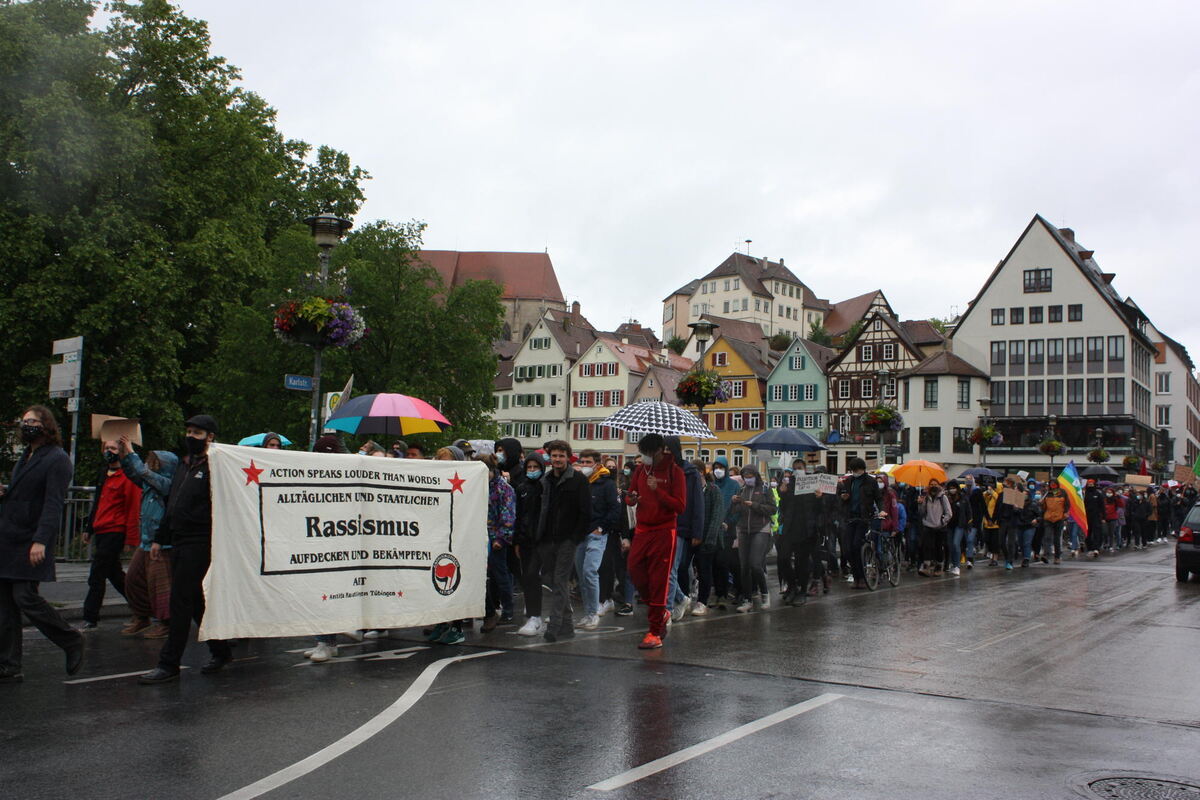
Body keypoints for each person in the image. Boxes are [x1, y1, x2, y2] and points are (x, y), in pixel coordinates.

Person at [138, 415, 233, 684]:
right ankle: (221, 649)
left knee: (180, 600)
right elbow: (173, 502)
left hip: (200, 540)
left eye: (198, 433)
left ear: (211, 437)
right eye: (189, 431)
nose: (191, 436)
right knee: (195, 602)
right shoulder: (184, 464)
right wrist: (160, 537)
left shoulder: (216, 465)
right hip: (178, 539)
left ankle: (169, 664)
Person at [0, 406, 85, 683]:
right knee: (5, 604)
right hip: (9, 539)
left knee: (25, 597)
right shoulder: (26, 456)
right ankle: (9, 664)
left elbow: (52, 504)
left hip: (30, 539)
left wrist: (40, 540)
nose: (27, 425)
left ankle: (70, 639)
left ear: (46, 425)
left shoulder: (57, 459)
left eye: (33, 421)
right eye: (24, 421)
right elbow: (26, 494)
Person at [625, 434, 686, 649]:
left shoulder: (675, 472)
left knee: (659, 579)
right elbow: (630, 494)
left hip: (664, 531)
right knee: (634, 570)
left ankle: (655, 631)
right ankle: (661, 612)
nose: (647, 457)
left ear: (662, 450)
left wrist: (657, 490)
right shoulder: (641, 470)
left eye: (651, 453)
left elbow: (679, 506)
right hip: (642, 530)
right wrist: (631, 498)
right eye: (644, 453)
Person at [118, 439, 178, 639]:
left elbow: (142, 472)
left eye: (155, 462)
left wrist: (131, 453)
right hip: (146, 542)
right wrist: (124, 456)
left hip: (162, 543)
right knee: (133, 580)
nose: (150, 465)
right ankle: (142, 616)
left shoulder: (168, 484)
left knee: (160, 586)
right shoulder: (151, 483)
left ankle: (166, 623)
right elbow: (134, 472)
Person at [80, 439, 142, 630]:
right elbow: (98, 502)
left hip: (115, 530)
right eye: (106, 448)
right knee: (114, 574)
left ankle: (91, 616)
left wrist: (131, 538)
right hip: (102, 529)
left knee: (97, 574)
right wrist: (89, 528)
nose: (109, 451)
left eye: (113, 448)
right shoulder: (104, 474)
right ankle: (141, 607)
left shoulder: (127, 477)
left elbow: (132, 508)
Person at [536, 440, 590, 642]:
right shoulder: (546, 479)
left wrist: (576, 537)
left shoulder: (578, 480)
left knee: (560, 580)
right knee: (550, 579)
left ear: (568, 457)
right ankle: (567, 625)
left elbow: (585, 512)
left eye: (561, 456)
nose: (557, 459)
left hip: (568, 538)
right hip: (548, 538)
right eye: (554, 456)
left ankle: (555, 625)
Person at [574, 450, 620, 630]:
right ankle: (588, 613)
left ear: (596, 464)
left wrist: (602, 528)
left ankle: (593, 613)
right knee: (581, 575)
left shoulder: (606, 484)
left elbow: (614, 509)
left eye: (588, 462)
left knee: (589, 572)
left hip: (597, 534)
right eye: (582, 462)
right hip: (580, 535)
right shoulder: (581, 483)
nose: (584, 465)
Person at [664, 437, 703, 622]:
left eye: (667, 449)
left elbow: (697, 503)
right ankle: (680, 597)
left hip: (680, 526)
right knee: (665, 569)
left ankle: (668, 610)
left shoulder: (690, 472)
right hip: (662, 524)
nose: (664, 453)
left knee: (671, 568)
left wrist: (697, 531)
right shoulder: (659, 469)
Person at [731, 464, 777, 611]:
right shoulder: (742, 489)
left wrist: (755, 505)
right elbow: (735, 511)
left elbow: (772, 508)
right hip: (743, 529)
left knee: (755, 564)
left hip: (761, 529)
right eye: (746, 477)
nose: (748, 479)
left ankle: (764, 593)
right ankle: (747, 599)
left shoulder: (764, 489)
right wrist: (734, 503)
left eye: (750, 476)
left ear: (756, 476)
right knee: (744, 566)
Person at [480, 454, 516, 632]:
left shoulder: (503, 488)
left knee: (500, 574)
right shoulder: (478, 486)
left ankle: (508, 609)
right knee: (485, 577)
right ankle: (490, 607)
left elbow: (508, 515)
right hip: (479, 536)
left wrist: (502, 537)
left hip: (495, 538)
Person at [515, 455, 547, 636]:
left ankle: (537, 615)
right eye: (530, 467)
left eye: (536, 467)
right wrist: (517, 541)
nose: (533, 470)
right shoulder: (522, 488)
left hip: (541, 540)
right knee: (527, 577)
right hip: (526, 539)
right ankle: (533, 615)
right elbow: (519, 516)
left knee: (533, 574)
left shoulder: (546, 487)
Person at [840, 457, 881, 588]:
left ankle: (862, 578)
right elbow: (842, 496)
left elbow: (879, 498)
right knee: (847, 549)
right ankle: (856, 576)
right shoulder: (848, 481)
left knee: (856, 546)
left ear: (862, 469)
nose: (855, 472)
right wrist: (843, 497)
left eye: (856, 469)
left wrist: (882, 511)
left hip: (864, 518)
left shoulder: (870, 481)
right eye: (853, 470)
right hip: (850, 517)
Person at [692, 462, 725, 614]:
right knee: (686, 568)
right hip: (692, 537)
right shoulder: (690, 490)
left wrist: (710, 539)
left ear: (702, 472)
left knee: (705, 569)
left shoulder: (713, 490)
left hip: (707, 538)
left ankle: (702, 601)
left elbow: (716, 515)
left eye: (697, 471)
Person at [917, 479, 951, 577]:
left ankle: (939, 566)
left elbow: (949, 512)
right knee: (927, 546)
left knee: (938, 547)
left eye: (935, 484)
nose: (933, 486)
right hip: (928, 525)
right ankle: (926, 566)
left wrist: (942, 521)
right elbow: (922, 513)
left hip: (940, 527)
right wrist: (920, 504)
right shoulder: (926, 498)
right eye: (931, 484)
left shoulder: (942, 497)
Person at [944, 481, 973, 576]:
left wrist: (968, 524)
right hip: (949, 525)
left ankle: (957, 565)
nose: (952, 489)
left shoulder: (963, 498)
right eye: (950, 488)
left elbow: (968, 512)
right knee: (950, 545)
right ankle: (953, 562)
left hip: (960, 525)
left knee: (956, 544)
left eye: (954, 487)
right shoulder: (946, 498)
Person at [1040, 484, 1067, 564]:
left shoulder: (1062, 493)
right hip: (1048, 518)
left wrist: (1065, 515)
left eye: (1054, 484)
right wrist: (1042, 503)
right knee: (1047, 537)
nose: (1052, 486)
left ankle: (1057, 557)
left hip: (1059, 518)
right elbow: (1044, 508)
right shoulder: (1047, 494)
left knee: (1056, 539)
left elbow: (1066, 505)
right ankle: (1046, 555)